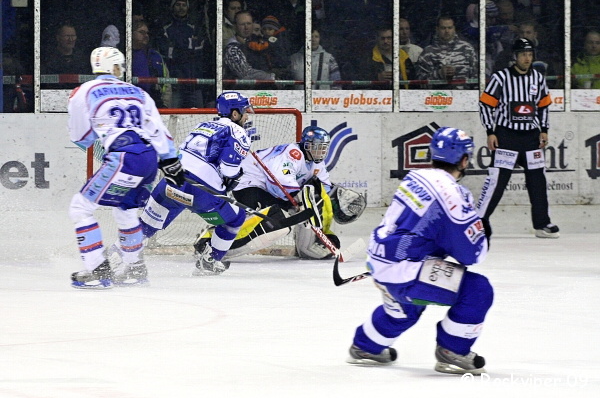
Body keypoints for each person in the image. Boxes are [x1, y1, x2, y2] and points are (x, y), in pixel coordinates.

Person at [346, 127, 492, 375]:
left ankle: (366, 346)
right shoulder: (454, 195)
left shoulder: (415, 177)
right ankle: (453, 351)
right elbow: (473, 255)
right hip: (405, 269)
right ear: (465, 160)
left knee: (405, 310)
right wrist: (482, 232)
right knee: (478, 290)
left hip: (380, 259)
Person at [68, 47, 183, 289]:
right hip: (149, 157)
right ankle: (134, 269)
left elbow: (81, 137)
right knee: (126, 209)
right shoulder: (138, 92)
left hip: (124, 156)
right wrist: (170, 160)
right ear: (115, 67)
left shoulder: (85, 91)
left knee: (80, 207)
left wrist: (100, 135)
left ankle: (97, 270)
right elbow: (158, 129)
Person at [139, 91, 252, 276]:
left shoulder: (202, 125)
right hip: (201, 191)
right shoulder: (238, 132)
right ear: (235, 113)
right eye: (245, 111)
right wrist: (236, 176)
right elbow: (228, 169)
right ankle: (210, 262)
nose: (247, 116)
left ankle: (117, 255)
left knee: (146, 226)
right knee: (236, 218)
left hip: (172, 181)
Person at [215, 126, 366, 260]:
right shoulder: (294, 153)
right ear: (306, 145)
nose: (320, 152)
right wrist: (297, 199)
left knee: (298, 212)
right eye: (316, 147)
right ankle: (216, 242)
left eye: (323, 148)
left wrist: (332, 201)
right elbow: (279, 179)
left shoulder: (317, 163)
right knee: (273, 221)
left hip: (267, 188)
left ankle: (307, 244)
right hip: (249, 183)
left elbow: (323, 189)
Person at [477, 38, 559, 239]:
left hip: (531, 137)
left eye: (530, 54)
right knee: (497, 181)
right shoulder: (501, 78)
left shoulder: (537, 78)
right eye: (523, 54)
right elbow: (485, 104)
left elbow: (543, 105)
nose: (527, 58)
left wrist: (544, 129)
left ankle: (542, 224)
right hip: (507, 136)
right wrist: (490, 132)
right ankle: (479, 222)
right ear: (515, 56)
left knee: (537, 181)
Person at [157, 0, 210, 108]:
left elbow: (198, 53)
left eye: (184, 5)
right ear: (172, 7)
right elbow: (168, 55)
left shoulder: (195, 28)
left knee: (200, 115)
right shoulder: (166, 29)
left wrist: (179, 48)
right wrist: (187, 49)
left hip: (194, 84)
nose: (181, 8)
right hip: (175, 84)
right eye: (178, 5)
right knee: (173, 115)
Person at [416, 16, 478, 90]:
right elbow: (421, 83)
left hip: (465, 94)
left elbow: (477, 77)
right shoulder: (428, 52)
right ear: (437, 29)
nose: (447, 31)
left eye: (450, 28)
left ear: (454, 28)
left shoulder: (467, 49)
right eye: (443, 28)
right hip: (438, 95)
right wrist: (439, 74)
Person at [224, 11, 276, 83]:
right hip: (242, 88)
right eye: (242, 24)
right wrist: (271, 77)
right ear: (235, 26)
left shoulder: (259, 41)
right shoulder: (232, 48)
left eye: (249, 23)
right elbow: (245, 74)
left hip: (266, 86)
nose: (246, 27)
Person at [361, 25, 415, 90]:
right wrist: (377, 78)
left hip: (401, 93)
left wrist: (402, 76)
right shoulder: (368, 58)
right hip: (378, 94)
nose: (386, 41)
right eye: (382, 38)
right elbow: (360, 80)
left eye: (389, 38)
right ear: (377, 39)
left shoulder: (403, 56)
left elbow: (413, 79)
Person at [132, 19, 171, 108]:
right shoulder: (124, 56)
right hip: (132, 104)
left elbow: (167, 82)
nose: (146, 35)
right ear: (131, 34)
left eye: (147, 33)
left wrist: (165, 105)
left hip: (154, 105)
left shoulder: (155, 56)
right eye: (142, 32)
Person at [42, 22, 89, 89]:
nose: (71, 39)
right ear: (58, 38)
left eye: (73, 36)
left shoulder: (82, 59)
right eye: (67, 36)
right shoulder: (48, 59)